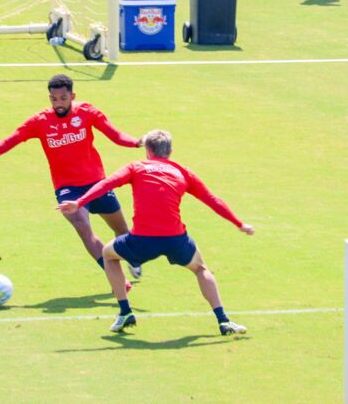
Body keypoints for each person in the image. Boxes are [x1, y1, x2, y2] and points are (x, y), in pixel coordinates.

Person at [58, 129, 254, 335]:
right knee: (200, 269)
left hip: (142, 240)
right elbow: (213, 200)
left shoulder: (136, 167)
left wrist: (79, 202)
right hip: (176, 239)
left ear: (148, 150)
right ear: (170, 150)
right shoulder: (183, 172)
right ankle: (223, 320)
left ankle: (125, 311)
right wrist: (239, 224)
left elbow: (106, 184)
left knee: (108, 255)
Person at [0, 74, 143, 288]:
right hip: (67, 189)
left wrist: (137, 142)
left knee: (122, 231)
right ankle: (118, 279)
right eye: (53, 99)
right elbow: (12, 139)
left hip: (97, 183)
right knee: (82, 226)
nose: (58, 103)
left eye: (63, 98)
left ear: (72, 96)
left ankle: (132, 257)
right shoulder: (40, 122)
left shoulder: (87, 112)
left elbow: (115, 134)